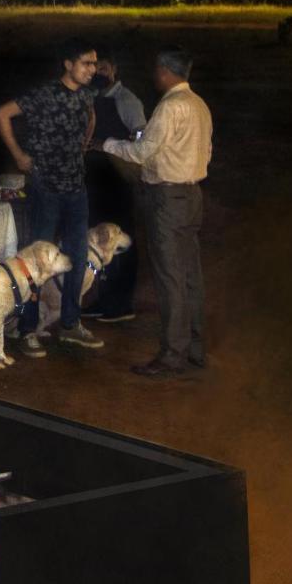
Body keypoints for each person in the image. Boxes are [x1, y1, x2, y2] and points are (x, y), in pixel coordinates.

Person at [102, 47, 213, 377]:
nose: (154, 75)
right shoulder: (199, 105)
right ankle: (194, 347)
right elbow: (206, 151)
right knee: (190, 275)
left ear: (165, 71)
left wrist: (107, 144)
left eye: (156, 70)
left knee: (170, 278)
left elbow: (143, 152)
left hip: (167, 198)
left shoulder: (170, 106)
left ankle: (172, 354)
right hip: (192, 194)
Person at [0, 38, 103, 356]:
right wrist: (18, 155)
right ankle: (27, 329)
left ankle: (70, 325)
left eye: (94, 63)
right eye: (86, 63)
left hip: (76, 189)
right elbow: (1, 114)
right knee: (38, 261)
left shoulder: (86, 94)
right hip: (46, 188)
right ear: (68, 64)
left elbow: (91, 117)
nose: (92, 69)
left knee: (78, 257)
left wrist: (84, 143)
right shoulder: (44, 94)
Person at [83, 51, 147, 323]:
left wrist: (116, 147)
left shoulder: (126, 100)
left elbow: (143, 136)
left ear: (115, 70)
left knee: (122, 241)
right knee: (100, 240)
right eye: (96, 68)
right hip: (95, 181)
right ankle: (105, 300)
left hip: (118, 180)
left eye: (105, 68)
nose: (99, 73)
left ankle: (121, 305)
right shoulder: (92, 98)